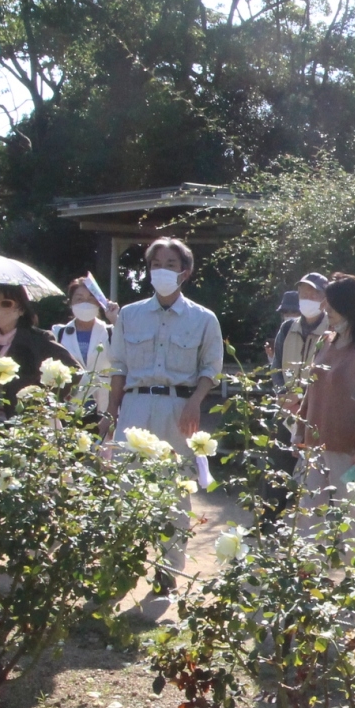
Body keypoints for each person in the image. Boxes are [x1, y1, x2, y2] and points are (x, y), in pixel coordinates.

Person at [104, 238, 225, 589]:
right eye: (156, 264)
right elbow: (118, 367)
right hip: (135, 405)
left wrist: (195, 401)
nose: (161, 270)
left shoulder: (203, 318)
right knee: (126, 488)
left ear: (184, 272)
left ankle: (168, 572)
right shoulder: (129, 315)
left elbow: (211, 368)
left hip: (178, 408)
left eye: (170, 264)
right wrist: (111, 413)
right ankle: (124, 568)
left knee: (174, 491)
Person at [297, 273, 355, 534]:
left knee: (348, 518)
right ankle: (309, 562)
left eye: (331, 303)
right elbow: (311, 390)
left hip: (347, 453)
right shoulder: (325, 341)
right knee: (307, 517)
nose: (325, 308)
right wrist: (299, 432)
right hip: (313, 448)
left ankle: (354, 563)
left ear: (349, 307)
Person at [0, 282, 76, 403]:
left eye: (6, 303)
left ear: (21, 310)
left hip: (27, 412)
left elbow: (74, 371)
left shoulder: (39, 339)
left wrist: (47, 399)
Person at [53, 278, 116, 415]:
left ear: (99, 302)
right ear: (70, 303)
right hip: (68, 406)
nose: (85, 303)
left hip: (104, 406)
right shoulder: (58, 333)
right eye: (79, 299)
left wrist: (115, 319)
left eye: (90, 299)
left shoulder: (111, 331)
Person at [270, 272, 330, 370]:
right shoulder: (287, 327)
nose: (308, 299)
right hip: (289, 380)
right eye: (304, 295)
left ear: (325, 299)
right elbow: (276, 367)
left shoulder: (331, 329)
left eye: (313, 296)